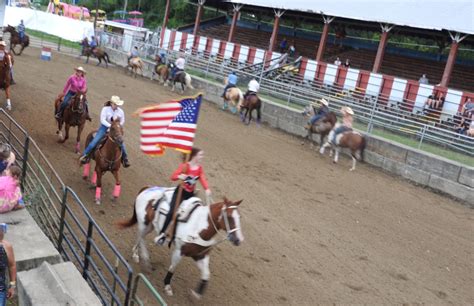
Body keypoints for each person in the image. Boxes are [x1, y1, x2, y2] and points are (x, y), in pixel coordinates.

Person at [154, 147, 211, 245]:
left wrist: (207, 189)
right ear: (194, 156)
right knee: (172, 212)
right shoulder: (185, 166)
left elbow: (202, 178)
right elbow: (173, 176)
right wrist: (179, 176)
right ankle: (163, 234)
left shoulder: (199, 168)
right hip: (180, 193)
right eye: (200, 155)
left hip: (190, 194)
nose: (202, 157)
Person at [79, 96, 130, 167]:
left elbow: (122, 120)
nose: (117, 106)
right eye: (115, 104)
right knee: (94, 142)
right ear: (111, 103)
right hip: (104, 127)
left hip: (115, 130)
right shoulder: (105, 109)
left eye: (117, 104)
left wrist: (117, 127)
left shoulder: (121, 111)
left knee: (121, 143)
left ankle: (125, 159)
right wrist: (110, 126)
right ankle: (84, 155)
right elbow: (102, 120)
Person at [0, 223, 16, 305]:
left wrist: (12, 285)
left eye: (2, 228)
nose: (2, 231)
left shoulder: (6, 247)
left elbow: (12, 265)